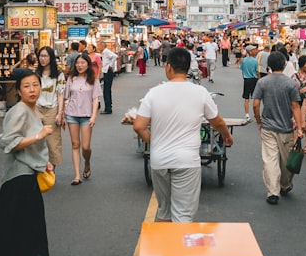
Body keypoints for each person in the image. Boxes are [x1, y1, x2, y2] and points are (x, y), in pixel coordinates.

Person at [133, 47, 234, 222]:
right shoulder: (200, 92)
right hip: (187, 161)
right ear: (188, 69)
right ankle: (178, 248)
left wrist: (153, 142)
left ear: (168, 67)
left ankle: (164, 247)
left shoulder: (154, 93)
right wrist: (227, 136)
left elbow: (139, 126)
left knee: (164, 211)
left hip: (160, 160)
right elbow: (216, 121)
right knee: (183, 215)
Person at [0, 70, 60, 256]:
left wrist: (45, 163)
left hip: (22, 176)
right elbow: (9, 142)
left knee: (9, 227)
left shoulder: (33, 109)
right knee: (30, 228)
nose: (32, 89)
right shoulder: (19, 110)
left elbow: (29, 148)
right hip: (21, 179)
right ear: (18, 90)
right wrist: (40, 136)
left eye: (35, 85)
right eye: (27, 86)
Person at [252, 51, 304, 205]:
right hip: (286, 127)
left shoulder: (262, 82)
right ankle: (285, 185)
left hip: (268, 126)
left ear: (269, 65)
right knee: (286, 160)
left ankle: (272, 192)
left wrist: (258, 120)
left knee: (270, 160)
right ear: (284, 64)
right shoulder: (290, 83)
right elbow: (295, 106)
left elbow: (255, 104)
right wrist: (299, 127)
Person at [63, 52, 102, 185]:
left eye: (82, 63)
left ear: (88, 64)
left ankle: (87, 162)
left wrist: (93, 116)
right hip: (72, 114)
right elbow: (65, 97)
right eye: (78, 63)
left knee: (85, 147)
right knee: (75, 144)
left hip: (86, 116)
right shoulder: (71, 79)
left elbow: (95, 98)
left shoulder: (93, 79)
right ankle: (77, 175)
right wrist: (62, 114)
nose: (79, 65)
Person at [35, 46, 66, 169]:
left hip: (52, 109)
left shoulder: (58, 74)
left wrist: (60, 113)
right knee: (36, 140)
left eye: (45, 56)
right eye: (41, 56)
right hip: (37, 108)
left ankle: (51, 170)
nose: (42, 59)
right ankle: (38, 168)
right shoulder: (35, 74)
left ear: (51, 58)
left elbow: (60, 94)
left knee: (53, 141)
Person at [98, 42, 119, 115]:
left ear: (102, 46)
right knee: (107, 90)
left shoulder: (106, 51)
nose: (98, 47)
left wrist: (110, 65)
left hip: (108, 71)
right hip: (106, 70)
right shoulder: (103, 53)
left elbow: (115, 56)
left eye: (99, 45)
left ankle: (108, 108)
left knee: (106, 90)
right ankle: (108, 107)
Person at [240, 43, 260, 120]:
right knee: (255, 98)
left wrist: (244, 77)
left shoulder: (244, 60)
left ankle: (247, 114)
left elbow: (242, 71)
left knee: (246, 98)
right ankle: (256, 113)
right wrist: (259, 79)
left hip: (246, 79)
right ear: (250, 52)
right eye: (254, 50)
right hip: (254, 79)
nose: (256, 51)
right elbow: (257, 72)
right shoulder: (255, 61)